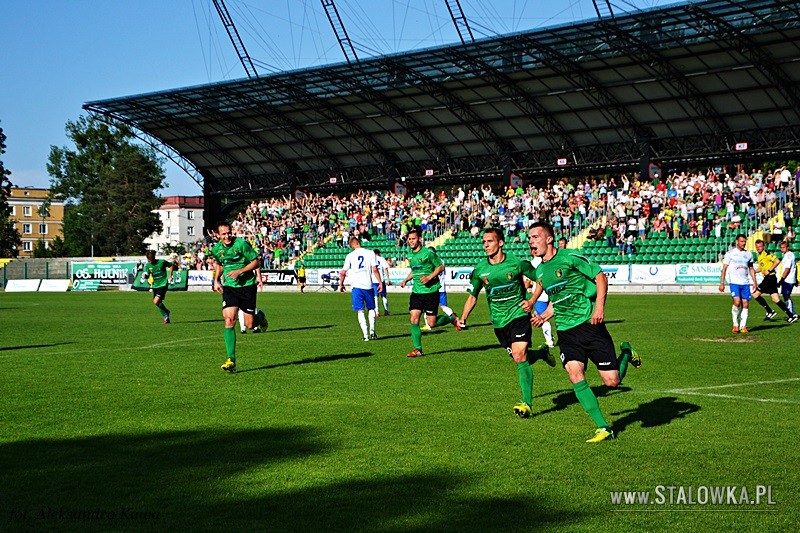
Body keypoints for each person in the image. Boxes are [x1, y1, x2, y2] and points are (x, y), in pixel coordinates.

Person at [525, 221, 641, 443]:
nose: (531, 241)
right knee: (574, 374)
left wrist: (599, 307)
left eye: (535, 237)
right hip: (567, 332)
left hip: (589, 325)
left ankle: (626, 352)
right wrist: (543, 316)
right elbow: (558, 300)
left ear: (549, 239)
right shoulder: (540, 270)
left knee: (612, 382)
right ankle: (603, 427)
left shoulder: (570, 257)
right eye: (529, 238)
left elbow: (600, 277)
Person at [457, 228, 554, 418]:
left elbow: (541, 279)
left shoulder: (517, 264)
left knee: (519, 355)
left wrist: (532, 301)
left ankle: (526, 403)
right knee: (520, 358)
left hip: (518, 315)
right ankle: (542, 353)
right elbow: (472, 296)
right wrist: (463, 317)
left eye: (490, 241)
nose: (485, 245)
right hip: (499, 322)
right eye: (483, 242)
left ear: (500, 243)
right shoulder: (480, 270)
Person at [209, 221, 266, 372]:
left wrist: (240, 271)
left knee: (250, 325)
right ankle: (231, 359)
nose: (227, 236)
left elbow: (255, 262)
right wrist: (216, 281)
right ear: (218, 235)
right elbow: (220, 265)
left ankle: (260, 316)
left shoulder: (241, 244)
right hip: (230, 287)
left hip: (247, 286)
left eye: (229, 233)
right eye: (224, 234)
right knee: (229, 320)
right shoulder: (216, 249)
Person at [399, 228, 461, 357]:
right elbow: (414, 270)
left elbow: (440, 267)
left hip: (431, 292)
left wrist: (429, 277)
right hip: (416, 292)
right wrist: (406, 280)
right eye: (409, 239)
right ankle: (418, 349)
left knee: (431, 323)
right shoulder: (410, 255)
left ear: (419, 239)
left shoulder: (428, 253)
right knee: (414, 319)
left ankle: (451, 319)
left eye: (413, 239)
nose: (410, 241)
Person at [340, 236, 383, 341]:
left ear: (352, 245)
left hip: (356, 286)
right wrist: (380, 282)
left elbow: (343, 272)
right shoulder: (370, 253)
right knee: (371, 308)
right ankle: (372, 332)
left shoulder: (350, 255)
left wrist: (341, 284)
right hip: (368, 285)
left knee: (360, 311)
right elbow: (375, 269)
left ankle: (365, 336)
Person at [718, 234, 758, 334]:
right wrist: (722, 283)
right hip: (734, 282)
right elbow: (724, 269)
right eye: (741, 241)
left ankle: (743, 326)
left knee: (746, 303)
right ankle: (735, 324)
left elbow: (751, 268)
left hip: (745, 283)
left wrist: (754, 282)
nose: (743, 243)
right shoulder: (730, 253)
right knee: (737, 302)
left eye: (745, 241)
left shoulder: (748, 254)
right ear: (737, 241)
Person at [751, 239, 797, 322]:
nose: (758, 248)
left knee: (755, 294)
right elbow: (761, 268)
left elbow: (777, 261)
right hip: (771, 279)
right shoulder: (759, 256)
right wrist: (754, 271)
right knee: (776, 299)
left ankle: (770, 311)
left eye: (760, 246)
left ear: (763, 246)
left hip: (770, 278)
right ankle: (791, 316)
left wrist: (769, 270)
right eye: (757, 247)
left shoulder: (767, 254)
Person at [420, 246, 457, 332]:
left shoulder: (431, 261)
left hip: (434, 287)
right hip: (442, 287)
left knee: (426, 306)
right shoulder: (441, 261)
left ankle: (429, 325)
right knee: (443, 306)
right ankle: (454, 317)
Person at [142, 250, 177, 324]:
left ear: (154, 257)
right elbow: (147, 275)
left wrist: (170, 275)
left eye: (151, 259)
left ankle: (166, 313)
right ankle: (166, 315)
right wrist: (145, 276)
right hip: (155, 285)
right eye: (149, 259)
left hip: (163, 284)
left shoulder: (162, 262)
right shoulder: (148, 265)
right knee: (157, 302)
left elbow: (171, 265)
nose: (150, 261)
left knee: (156, 301)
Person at [779, 240, 797, 319]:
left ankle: (792, 314)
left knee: (786, 296)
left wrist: (782, 279)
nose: (782, 249)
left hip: (788, 279)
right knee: (786, 296)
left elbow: (787, 269)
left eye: (783, 247)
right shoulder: (789, 255)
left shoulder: (788, 256)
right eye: (781, 248)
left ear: (787, 248)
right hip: (790, 278)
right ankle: (792, 313)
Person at [373, 250, 391, 316]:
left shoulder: (371, 259)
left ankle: (377, 312)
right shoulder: (381, 259)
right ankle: (386, 310)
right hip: (381, 280)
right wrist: (388, 279)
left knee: (375, 297)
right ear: (378, 253)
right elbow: (386, 269)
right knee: (383, 296)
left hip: (374, 280)